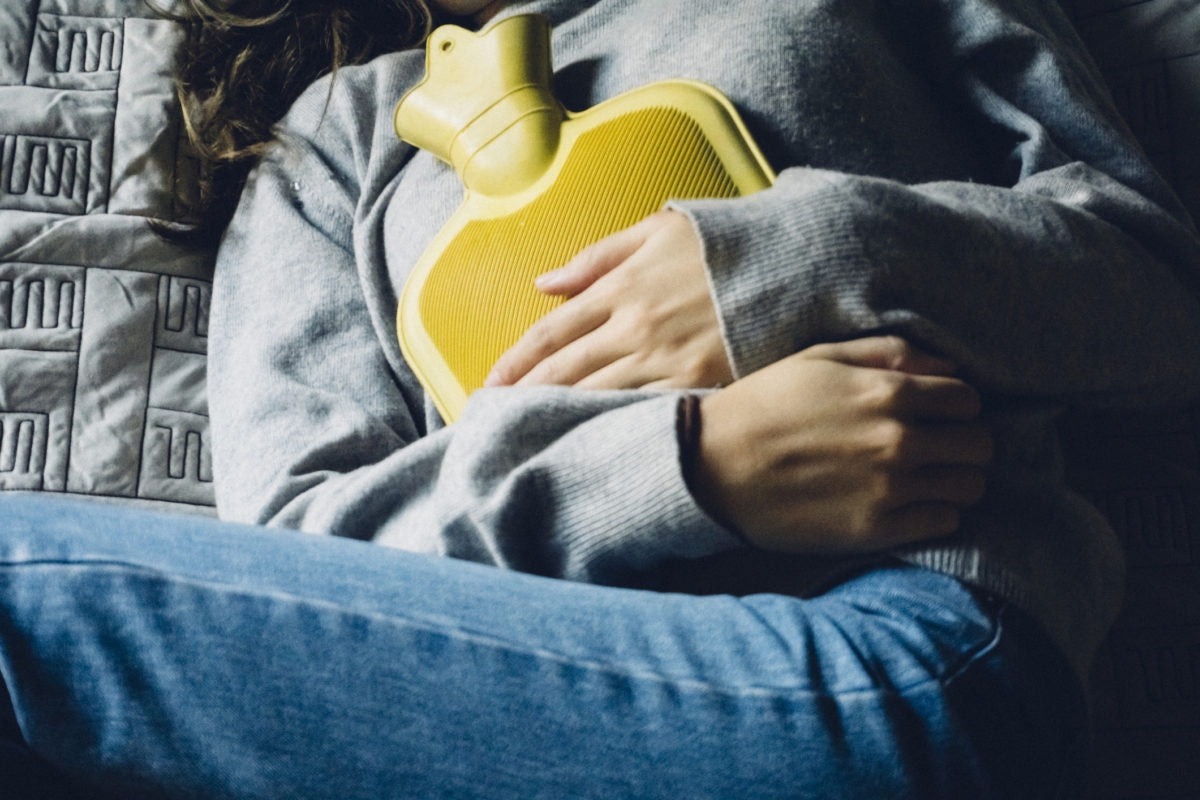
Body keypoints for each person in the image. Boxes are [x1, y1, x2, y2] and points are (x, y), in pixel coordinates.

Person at [2, 0, 1199, 796]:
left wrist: (797, 257)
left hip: (906, 650)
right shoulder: (332, 142)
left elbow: (1157, 294)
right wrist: (691, 466)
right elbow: (305, 562)